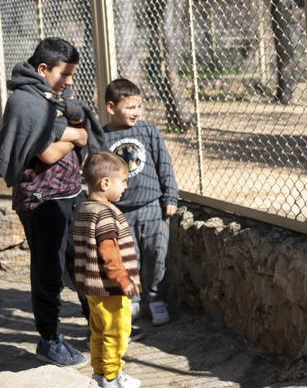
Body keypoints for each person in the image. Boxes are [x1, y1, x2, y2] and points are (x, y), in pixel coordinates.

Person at [0, 37, 104, 366]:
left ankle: (98, 328)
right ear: (43, 69)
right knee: (48, 273)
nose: (70, 81)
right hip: (41, 201)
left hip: (72, 195)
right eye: (65, 74)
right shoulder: (24, 102)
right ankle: (49, 339)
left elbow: (85, 134)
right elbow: (45, 151)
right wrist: (72, 137)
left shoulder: (56, 96)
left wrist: (71, 136)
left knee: (85, 265)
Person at [103, 78, 178, 326]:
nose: (136, 112)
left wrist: (170, 196)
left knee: (157, 255)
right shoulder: (102, 137)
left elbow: (164, 164)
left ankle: (156, 299)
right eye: (129, 107)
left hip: (152, 207)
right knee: (128, 259)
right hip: (120, 212)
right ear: (111, 108)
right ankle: (132, 302)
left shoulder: (148, 131)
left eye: (138, 106)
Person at [74, 151, 142, 388]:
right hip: (110, 288)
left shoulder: (85, 208)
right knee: (117, 332)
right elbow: (109, 253)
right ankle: (113, 377)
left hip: (92, 287)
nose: (125, 186)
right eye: (122, 181)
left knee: (99, 331)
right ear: (105, 183)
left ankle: (100, 373)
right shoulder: (105, 213)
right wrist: (123, 280)